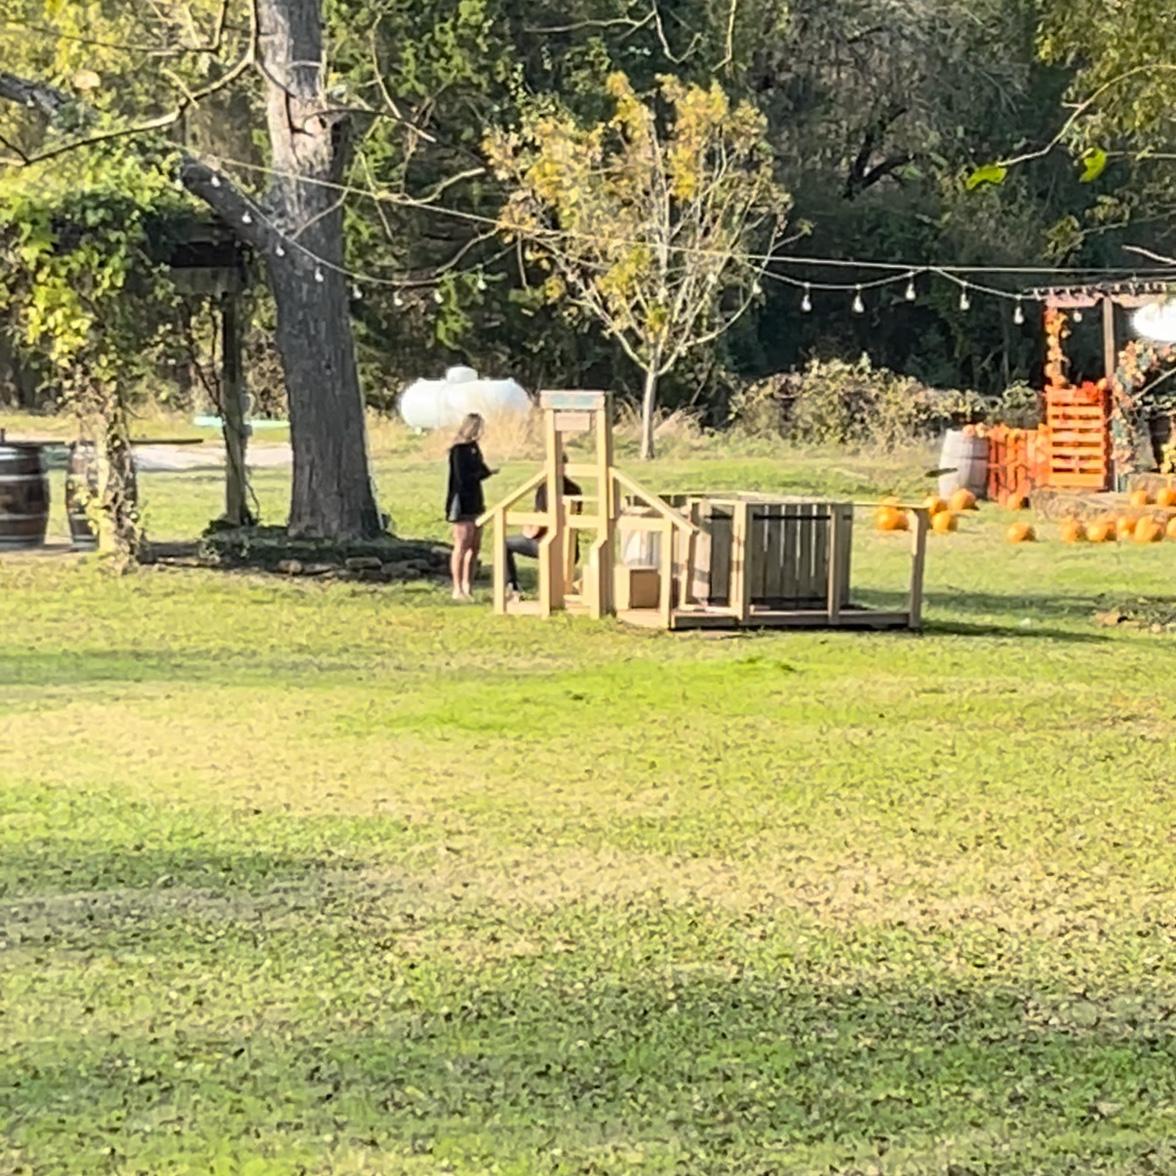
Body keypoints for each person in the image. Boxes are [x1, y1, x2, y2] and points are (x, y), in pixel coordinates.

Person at [506, 462, 581, 598]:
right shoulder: (575, 488)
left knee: (504, 543)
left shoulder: (545, 488)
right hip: (572, 547)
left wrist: (527, 531)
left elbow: (538, 524)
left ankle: (512, 587)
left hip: (545, 543)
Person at [446, 413, 494, 600]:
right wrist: (480, 474)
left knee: (475, 546)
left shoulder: (474, 448)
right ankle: (457, 588)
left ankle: (468, 585)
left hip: (476, 500)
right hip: (461, 502)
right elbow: (462, 478)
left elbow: (480, 468)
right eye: (477, 428)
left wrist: (486, 472)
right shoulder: (458, 450)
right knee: (462, 544)